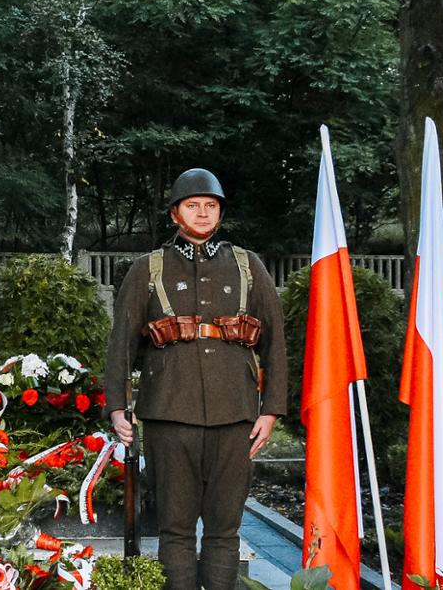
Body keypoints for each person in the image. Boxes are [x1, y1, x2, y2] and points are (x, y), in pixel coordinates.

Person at [103, 168, 288, 590]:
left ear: (220, 214)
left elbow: (274, 343)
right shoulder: (148, 268)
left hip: (236, 415)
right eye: (193, 206)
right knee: (177, 529)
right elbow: (121, 345)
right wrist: (117, 407)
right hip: (170, 414)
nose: (202, 213)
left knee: (225, 530)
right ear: (175, 214)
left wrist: (271, 411)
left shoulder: (247, 267)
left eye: (211, 206)